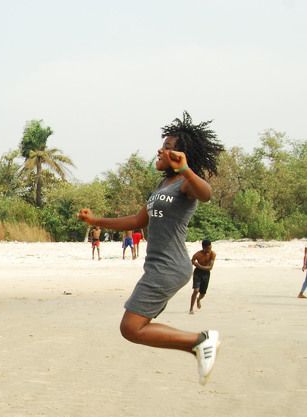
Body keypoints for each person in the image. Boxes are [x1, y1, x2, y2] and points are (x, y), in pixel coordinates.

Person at [77, 112, 225, 384]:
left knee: (131, 328)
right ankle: (198, 345)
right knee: (136, 327)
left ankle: (200, 340)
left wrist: (186, 170)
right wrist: (95, 220)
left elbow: (206, 194)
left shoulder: (184, 184)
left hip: (169, 267)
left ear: (180, 155)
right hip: (160, 266)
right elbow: (137, 221)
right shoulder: (163, 185)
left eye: (167, 147)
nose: (160, 150)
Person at [188, 239, 216, 314]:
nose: (209, 250)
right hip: (197, 273)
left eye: (210, 247)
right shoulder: (197, 254)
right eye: (208, 248)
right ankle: (191, 309)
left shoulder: (212, 254)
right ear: (203, 247)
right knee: (196, 290)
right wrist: (193, 262)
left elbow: (210, 267)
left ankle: (198, 299)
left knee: (203, 293)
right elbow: (191, 261)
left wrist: (198, 265)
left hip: (206, 274)